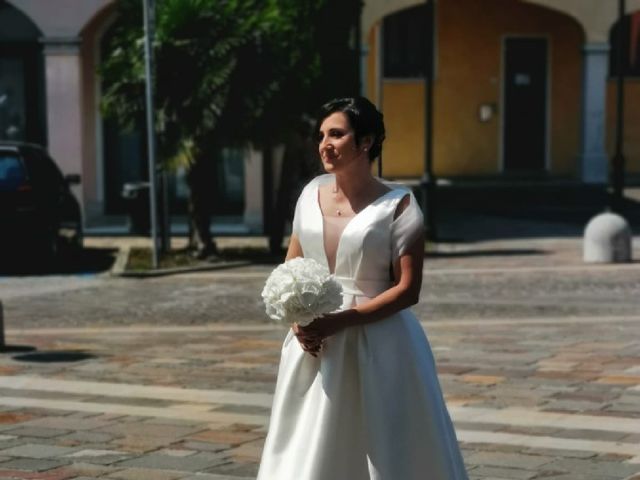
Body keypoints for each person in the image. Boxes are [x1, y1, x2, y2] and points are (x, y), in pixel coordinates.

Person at [257, 97, 468, 480]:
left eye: (336, 134)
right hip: (312, 340)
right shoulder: (310, 194)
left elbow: (408, 290)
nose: (325, 143)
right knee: (310, 441)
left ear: (366, 141)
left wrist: (340, 322)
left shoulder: (399, 205)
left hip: (380, 341)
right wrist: (297, 322)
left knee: (384, 443)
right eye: (321, 135)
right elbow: (291, 265)